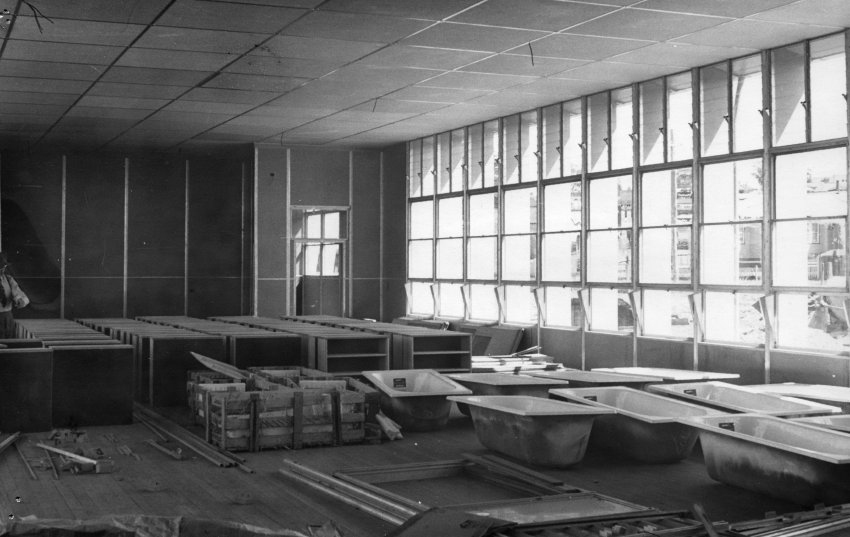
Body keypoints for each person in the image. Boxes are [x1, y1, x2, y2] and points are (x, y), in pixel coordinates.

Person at [0, 252, 28, 338]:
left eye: (4, 267)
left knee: (9, 345)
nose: (3, 269)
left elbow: (18, 293)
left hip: (7, 318)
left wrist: (21, 300)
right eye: (1, 267)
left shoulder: (9, 279)